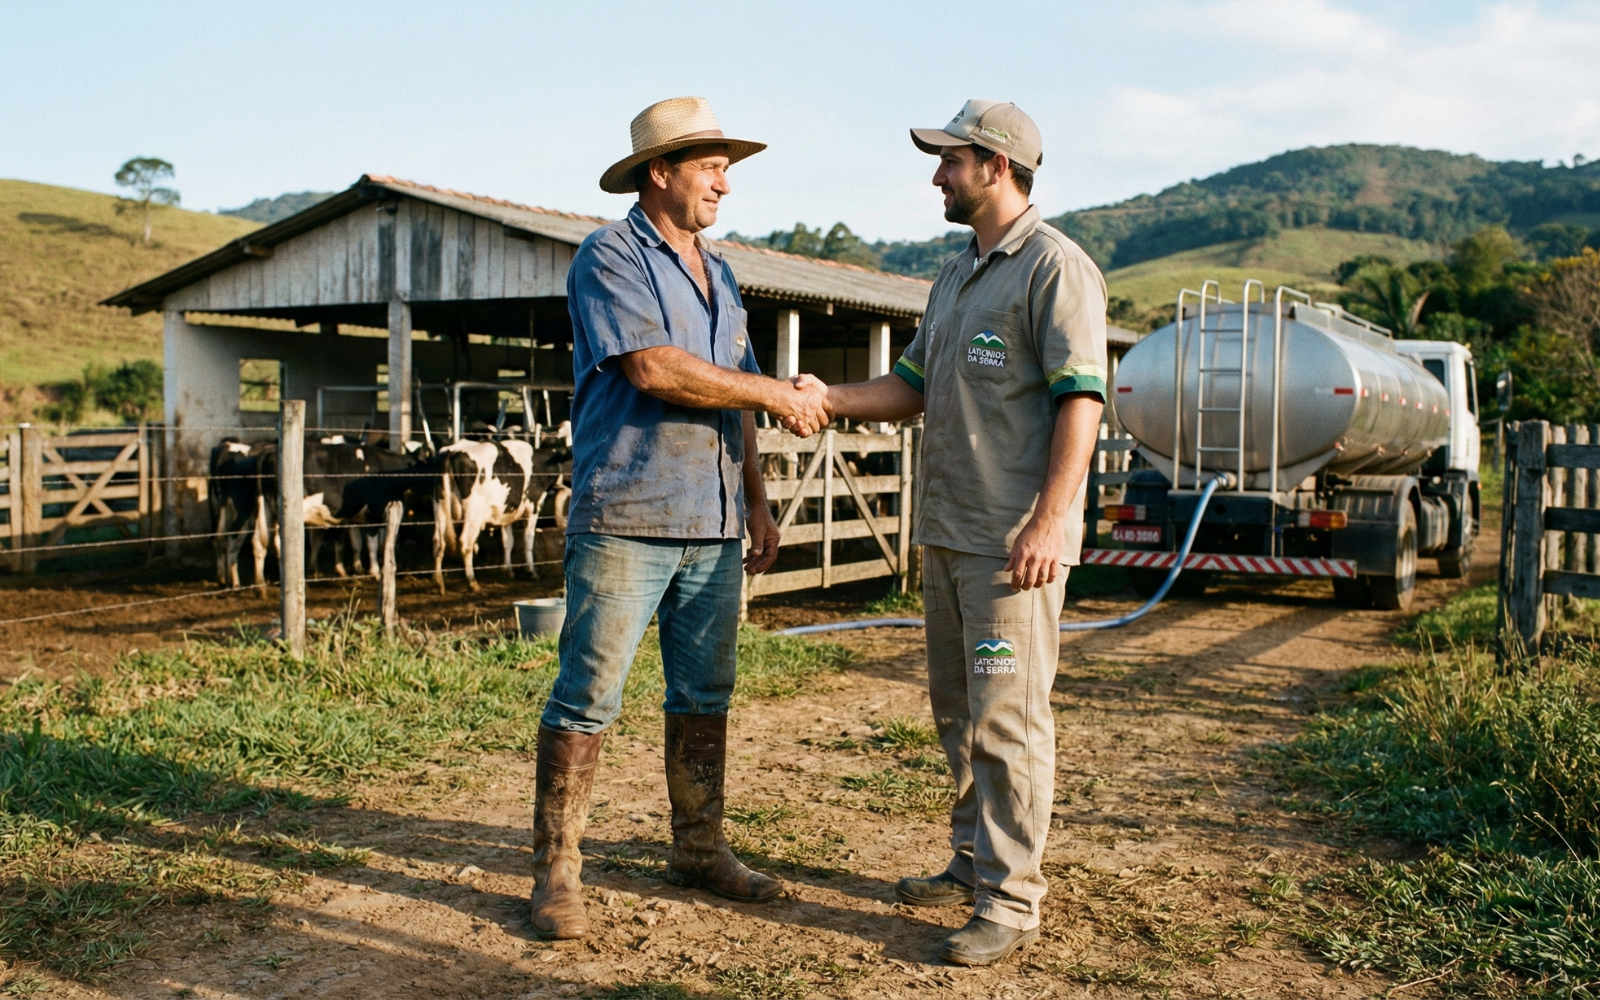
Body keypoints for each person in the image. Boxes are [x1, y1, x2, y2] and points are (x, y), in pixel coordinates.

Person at [793, 99, 1107, 966]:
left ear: (998, 166)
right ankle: (973, 862)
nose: (937, 174)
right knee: (959, 713)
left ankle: (1010, 901)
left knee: (1008, 717)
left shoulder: (1055, 268)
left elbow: (1081, 398)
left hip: (1014, 550)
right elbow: (910, 388)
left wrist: (1050, 519)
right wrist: (822, 399)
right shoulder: (956, 275)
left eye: (951, 161)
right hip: (949, 535)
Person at [528, 96, 829, 940]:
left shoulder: (722, 274)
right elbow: (658, 370)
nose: (725, 184)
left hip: (713, 517)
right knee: (588, 694)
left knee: (705, 692)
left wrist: (759, 503)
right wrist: (779, 394)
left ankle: (700, 847)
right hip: (628, 510)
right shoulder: (610, 256)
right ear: (659, 172)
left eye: (726, 170)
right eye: (710, 167)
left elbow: (734, 395)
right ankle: (556, 871)